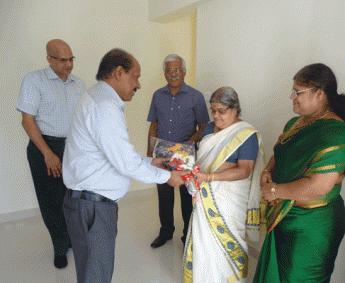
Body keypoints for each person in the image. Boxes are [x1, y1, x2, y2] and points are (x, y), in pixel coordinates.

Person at [62, 48, 186, 283]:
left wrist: (151, 161)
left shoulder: (97, 97)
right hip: (93, 208)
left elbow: (116, 154)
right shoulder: (106, 106)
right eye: (136, 77)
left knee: (91, 272)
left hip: (87, 203)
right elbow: (125, 162)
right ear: (119, 73)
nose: (138, 84)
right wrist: (166, 177)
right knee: (96, 275)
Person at [254, 63, 345, 282]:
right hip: (285, 216)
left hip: (312, 224)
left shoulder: (336, 133)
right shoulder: (295, 122)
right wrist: (268, 169)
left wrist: (274, 191)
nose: (291, 96)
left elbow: (319, 186)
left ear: (319, 93)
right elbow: (281, 151)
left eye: (298, 92)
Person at [16, 39, 86, 269]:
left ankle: (73, 240)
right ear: (49, 59)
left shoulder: (79, 84)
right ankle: (59, 246)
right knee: (52, 202)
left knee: (75, 199)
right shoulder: (34, 80)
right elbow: (28, 121)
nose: (68, 64)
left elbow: (84, 119)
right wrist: (48, 153)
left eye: (71, 59)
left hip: (73, 147)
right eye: (63, 60)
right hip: (45, 147)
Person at [182, 87, 265, 282]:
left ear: (235, 109)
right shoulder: (209, 129)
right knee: (203, 241)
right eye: (213, 110)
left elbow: (245, 170)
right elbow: (202, 158)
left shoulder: (246, 135)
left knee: (228, 239)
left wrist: (209, 176)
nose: (216, 115)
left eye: (222, 111)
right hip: (202, 196)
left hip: (228, 201)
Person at [147, 54, 210, 248]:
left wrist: (189, 144)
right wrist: (149, 154)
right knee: (164, 197)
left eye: (176, 70)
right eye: (169, 70)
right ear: (164, 73)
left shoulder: (196, 96)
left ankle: (187, 236)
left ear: (183, 71)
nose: (173, 74)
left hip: (185, 155)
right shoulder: (158, 95)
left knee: (186, 199)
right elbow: (153, 125)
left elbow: (204, 125)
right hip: (163, 155)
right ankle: (166, 232)